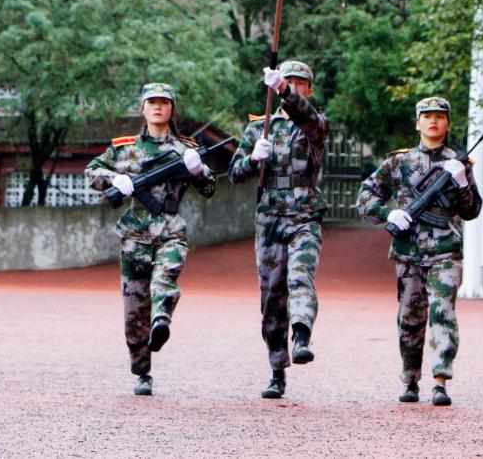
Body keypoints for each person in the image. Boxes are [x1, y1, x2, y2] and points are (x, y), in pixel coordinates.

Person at [85, 83, 216, 396]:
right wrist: (115, 178)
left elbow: (209, 188)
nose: (158, 107)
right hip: (135, 234)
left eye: (164, 102)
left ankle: (161, 320)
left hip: (171, 229)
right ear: (143, 108)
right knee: (134, 309)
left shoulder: (186, 149)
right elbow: (91, 171)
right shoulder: (124, 148)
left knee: (164, 278)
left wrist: (198, 171)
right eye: (152, 102)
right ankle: (142, 371)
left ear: (172, 108)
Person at [356, 97, 481, 407]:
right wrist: (389, 213)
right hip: (408, 252)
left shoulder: (459, 164)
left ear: (448, 123)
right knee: (410, 319)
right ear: (417, 123)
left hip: (445, 251)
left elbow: (472, 211)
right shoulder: (399, 162)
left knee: (443, 312)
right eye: (427, 116)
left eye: (439, 116)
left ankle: (440, 381)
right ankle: (410, 379)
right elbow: (365, 198)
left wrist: (462, 182)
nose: (433, 121)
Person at [228, 60, 329, 399]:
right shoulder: (260, 128)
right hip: (270, 216)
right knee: (272, 295)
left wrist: (284, 92)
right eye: (288, 82)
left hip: (304, 214)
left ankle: (301, 336)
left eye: (300, 83)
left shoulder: (314, 123)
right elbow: (234, 173)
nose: (294, 87)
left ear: (309, 89)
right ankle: (276, 369)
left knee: (301, 275)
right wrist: (253, 159)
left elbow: (307, 118)